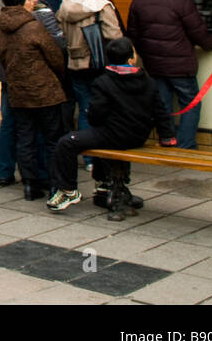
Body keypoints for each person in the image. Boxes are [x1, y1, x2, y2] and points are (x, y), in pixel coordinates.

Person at [49, 38, 174, 214]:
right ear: (131, 59)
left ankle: (68, 190)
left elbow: (96, 115)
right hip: (138, 136)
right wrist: (167, 137)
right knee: (95, 138)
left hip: (111, 135)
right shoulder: (147, 81)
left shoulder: (104, 82)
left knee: (66, 142)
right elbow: (161, 111)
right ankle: (105, 187)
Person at [127, 0, 212, 150]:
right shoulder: (181, 1)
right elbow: (198, 31)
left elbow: (133, 35)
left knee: (162, 103)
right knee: (190, 103)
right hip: (180, 64)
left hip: (154, 64)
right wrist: (210, 45)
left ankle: (167, 140)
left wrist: (146, 54)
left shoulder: (139, 1)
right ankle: (186, 145)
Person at [0, 0, 67, 201]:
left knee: (25, 138)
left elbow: (3, 59)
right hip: (44, 92)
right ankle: (55, 185)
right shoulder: (33, 26)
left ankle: (29, 185)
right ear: (20, 0)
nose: (31, 0)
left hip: (18, 91)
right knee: (52, 139)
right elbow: (55, 56)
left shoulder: (1, 28)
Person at [57, 0, 124, 171]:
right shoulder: (100, 6)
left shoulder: (64, 7)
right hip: (98, 63)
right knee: (103, 109)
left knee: (85, 109)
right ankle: (98, 155)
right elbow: (115, 36)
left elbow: (61, 35)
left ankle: (87, 158)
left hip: (75, 63)